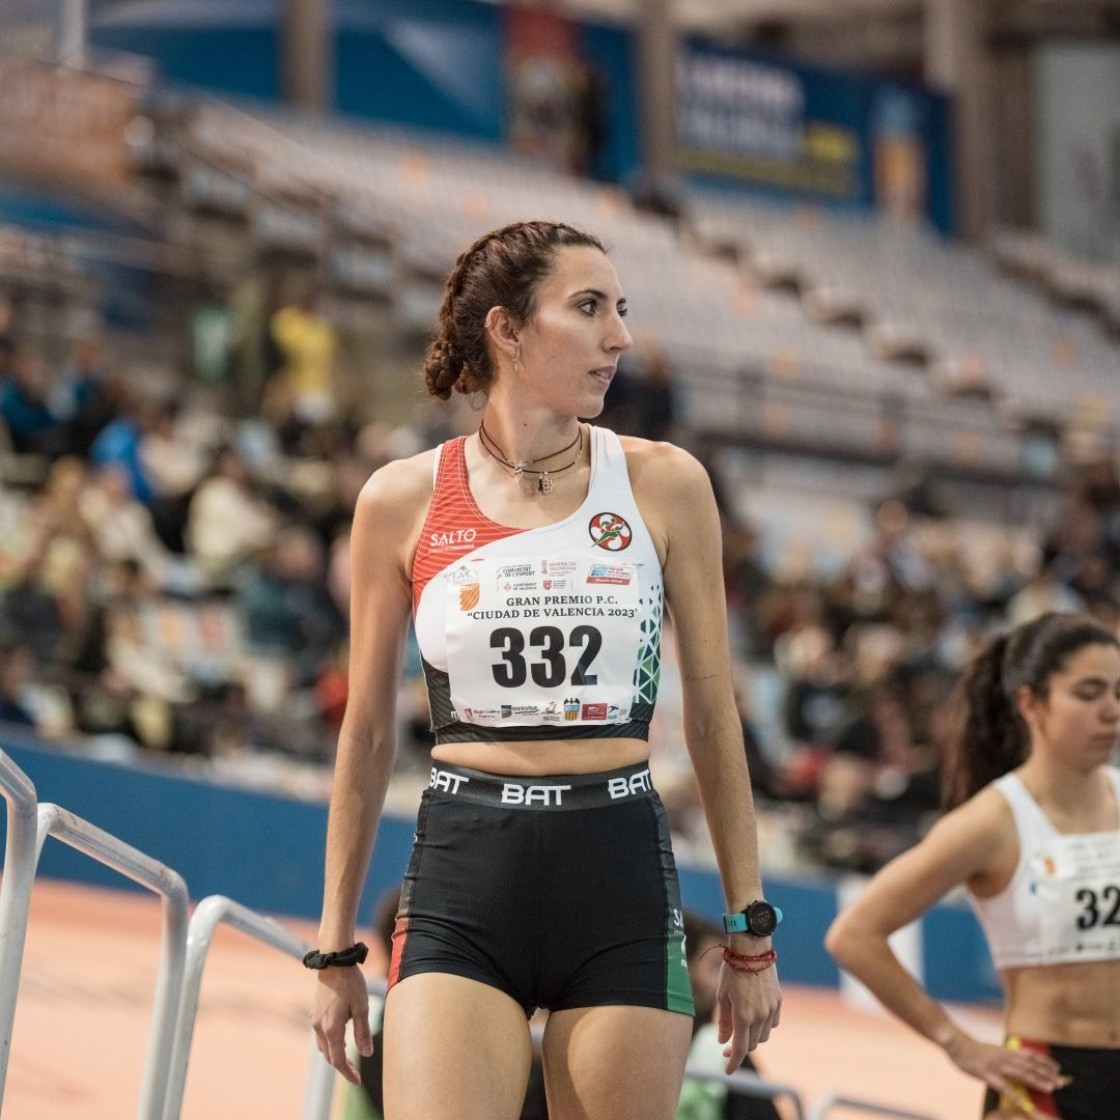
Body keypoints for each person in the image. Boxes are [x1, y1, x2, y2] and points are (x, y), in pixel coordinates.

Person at [309, 220, 781, 1120]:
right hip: (462, 873)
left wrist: (751, 926)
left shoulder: (666, 484)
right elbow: (366, 733)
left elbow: (717, 722)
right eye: (590, 308)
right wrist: (335, 948)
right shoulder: (402, 499)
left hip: (619, 875)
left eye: (623, 310)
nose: (622, 338)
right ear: (508, 330)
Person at [825, 611, 1120, 1120]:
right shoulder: (993, 822)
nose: (1112, 711)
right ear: (1032, 703)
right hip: (1048, 1082)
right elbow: (854, 935)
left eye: (1118, 691)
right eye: (1089, 694)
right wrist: (956, 1041)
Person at [677, 911, 782, 1120]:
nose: (724, 982)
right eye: (716, 967)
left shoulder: (639, 1032)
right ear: (685, 967)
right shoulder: (720, 1051)